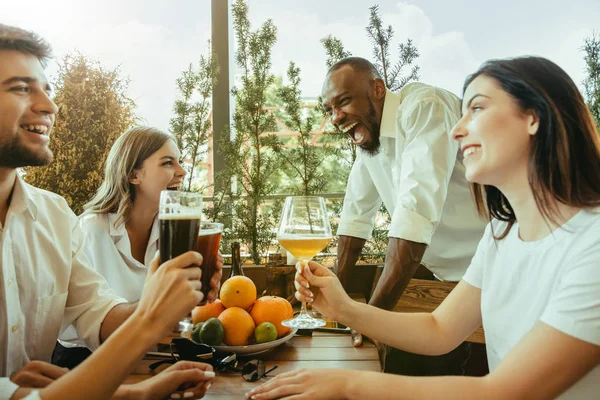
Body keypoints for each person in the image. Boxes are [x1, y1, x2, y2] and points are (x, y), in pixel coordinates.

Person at [247, 56, 600, 399]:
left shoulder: (593, 244)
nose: (458, 130)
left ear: (533, 119)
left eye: (475, 109)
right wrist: (344, 309)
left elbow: (505, 391)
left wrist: (347, 385)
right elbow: (439, 329)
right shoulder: (501, 235)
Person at [0, 24, 218, 399]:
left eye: (47, 90)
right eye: (21, 88)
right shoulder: (88, 226)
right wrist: (150, 318)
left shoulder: (54, 217)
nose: (50, 106)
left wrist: (139, 390)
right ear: (132, 174)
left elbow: (97, 318)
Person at [322, 56, 486, 374]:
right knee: (403, 370)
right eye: (329, 110)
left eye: (343, 102)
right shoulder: (369, 138)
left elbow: (415, 211)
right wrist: (335, 305)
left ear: (378, 89)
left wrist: (369, 319)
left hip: (486, 274)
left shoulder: (425, 106)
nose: (335, 117)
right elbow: (355, 216)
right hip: (438, 274)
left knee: (474, 378)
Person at [53, 126, 224, 368]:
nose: (182, 171)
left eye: (180, 162)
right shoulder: (91, 231)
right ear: (134, 175)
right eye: (167, 163)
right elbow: (78, 324)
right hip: (83, 363)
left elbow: (169, 319)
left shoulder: (173, 234)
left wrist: (192, 297)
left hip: (148, 355)